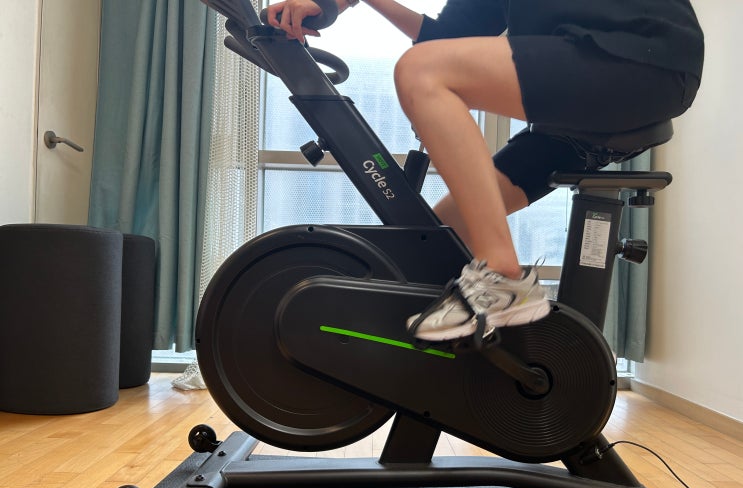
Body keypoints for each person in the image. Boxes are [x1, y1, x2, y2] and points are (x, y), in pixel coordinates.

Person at [266, 0, 704, 342]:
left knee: (421, 72)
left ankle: (502, 275)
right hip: (575, 121)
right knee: (437, 235)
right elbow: (446, 36)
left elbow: (431, 62)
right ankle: (473, 364)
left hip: (639, 57)